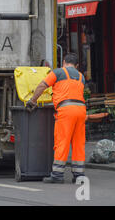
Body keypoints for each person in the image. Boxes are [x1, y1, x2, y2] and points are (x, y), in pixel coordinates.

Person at [26, 53, 86, 184]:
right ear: (77, 66)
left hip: (66, 110)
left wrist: (32, 100)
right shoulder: (81, 76)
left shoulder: (58, 72)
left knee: (62, 141)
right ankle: (79, 175)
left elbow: (42, 86)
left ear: (63, 62)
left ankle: (57, 175)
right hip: (81, 110)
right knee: (78, 143)